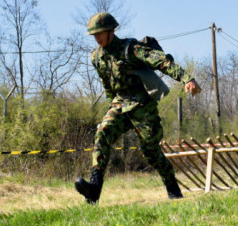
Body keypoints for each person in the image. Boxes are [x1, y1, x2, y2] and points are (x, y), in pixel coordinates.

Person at [75, 12, 201, 204]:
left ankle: (174, 191)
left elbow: (162, 61)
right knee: (103, 132)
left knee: (151, 152)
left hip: (142, 104)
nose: (97, 38)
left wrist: (186, 78)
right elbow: (107, 85)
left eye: (100, 33)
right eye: (94, 34)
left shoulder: (131, 48)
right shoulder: (97, 57)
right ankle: (94, 189)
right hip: (120, 102)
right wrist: (111, 108)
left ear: (111, 31)